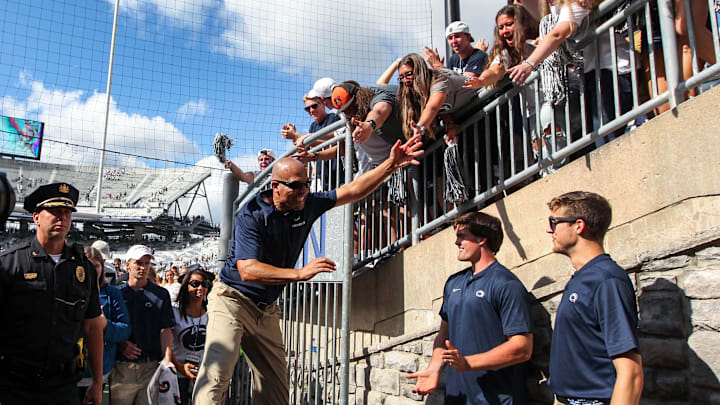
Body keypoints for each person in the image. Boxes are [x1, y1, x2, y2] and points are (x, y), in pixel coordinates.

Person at [193, 136, 423, 404]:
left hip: (265, 310)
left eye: (307, 184)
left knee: (276, 392)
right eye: (296, 186)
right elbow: (248, 269)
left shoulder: (307, 203)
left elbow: (353, 190)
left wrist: (391, 164)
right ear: (276, 186)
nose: (303, 191)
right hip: (232, 301)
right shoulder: (252, 215)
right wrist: (299, 273)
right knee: (216, 377)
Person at [406, 211, 533, 404]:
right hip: (458, 397)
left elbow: (522, 348)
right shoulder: (453, 283)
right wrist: (433, 369)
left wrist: (468, 363)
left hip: (498, 398)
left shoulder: (506, 284)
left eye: (461, 236)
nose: (456, 243)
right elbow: (443, 336)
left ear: (482, 239)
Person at [0, 183, 104, 405]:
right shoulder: (10, 263)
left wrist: (96, 381)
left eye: (67, 212)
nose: (62, 218)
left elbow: (93, 327)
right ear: (36, 217)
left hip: (64, 387)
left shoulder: (83, 269)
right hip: (14, 387)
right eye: (55, 211)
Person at [546, 191, 643, 404]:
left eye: (554, 222)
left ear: (578, 226)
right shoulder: (583, 278)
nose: (549, 229)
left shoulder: (606, 280)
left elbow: (631, 372)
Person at [112, 245, 175, 405]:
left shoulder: (161, 294)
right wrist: (120, 345)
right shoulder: (117, 294)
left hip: (150, 366)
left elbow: (166, 328)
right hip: (122, 367)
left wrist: (167, 360)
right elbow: (108, 328)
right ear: (128, 265)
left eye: (147, 263)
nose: (143, 267)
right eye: (139, 263)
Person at [78, 247, 132, 401]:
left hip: (100, 370)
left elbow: (125, 329)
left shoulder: (112, 293)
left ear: (102, 267)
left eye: (95, 266)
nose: (91, 270)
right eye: (87, 265)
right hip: (69, 370)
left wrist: (105, 325)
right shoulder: (68, 292)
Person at [396, 53, 481, 143]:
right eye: (401, 77)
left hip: (485, 104)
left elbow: (433, 107)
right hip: (472, 116)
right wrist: (450, 124)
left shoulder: (439, 80)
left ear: (420, 71)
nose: (405, 81)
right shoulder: (421, 92)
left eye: (408, 74)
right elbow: (442, 108)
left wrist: (420, 127)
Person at [464, 5, 538, 90]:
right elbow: (495, 70)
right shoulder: (507, 53)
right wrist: (481, 80)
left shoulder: (540, 41)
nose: (505, 31)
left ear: (523, 24)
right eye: (501, 28)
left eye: (509, 24)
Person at [171, 268, 210, 405]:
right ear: (185, 286)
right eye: (195, 284)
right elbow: (166, 345)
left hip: (203, 374)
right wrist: (180, 366)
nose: (200, 288)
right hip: (177, 373)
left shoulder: (212, 313)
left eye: (204, 284)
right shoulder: (174, 311)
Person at [423, 21, 488, 77]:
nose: (454, 41)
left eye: (457, 36)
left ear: (468, 37)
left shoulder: (480, 56)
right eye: (450, 38)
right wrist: (436, 70)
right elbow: (448, 83)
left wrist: (438, 65)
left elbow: (466, 83)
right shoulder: (453, 59)